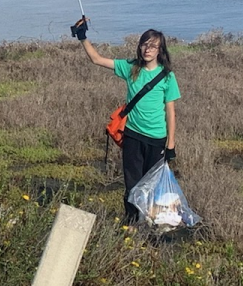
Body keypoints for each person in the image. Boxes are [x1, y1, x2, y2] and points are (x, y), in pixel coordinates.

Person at [73, 17, 181, 225]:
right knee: (132, 185)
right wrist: (82, 37)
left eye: (153, 46)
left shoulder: (167, 76)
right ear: (139, 47)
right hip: (132, 135)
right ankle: (131, 223)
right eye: (145, 45)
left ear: (160, 50)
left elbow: (171, 112)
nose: (147, 50)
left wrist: (171, 144)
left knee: (154, 186)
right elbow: (97, 59)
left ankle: (153, 226)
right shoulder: (130, 68)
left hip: (157, 138)